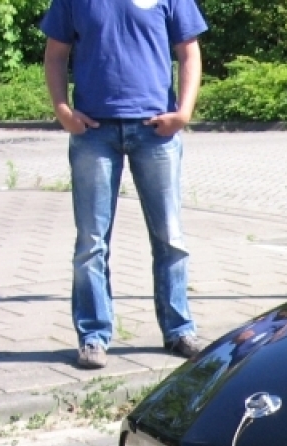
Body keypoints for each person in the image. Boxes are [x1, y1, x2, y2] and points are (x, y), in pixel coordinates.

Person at [41, 0, 208, 370]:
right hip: (93, 132)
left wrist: (184, 112)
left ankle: (179, 329)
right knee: (91, 243)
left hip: (156, 131)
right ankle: (94, 337)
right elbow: (55, 54)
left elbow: (189, 52)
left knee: (170, 238)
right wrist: (62, 110)